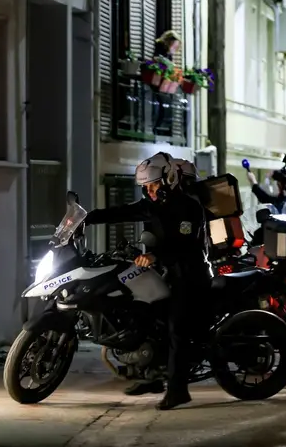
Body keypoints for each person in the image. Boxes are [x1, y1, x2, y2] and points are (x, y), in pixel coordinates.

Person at [84, 155, 211, 410]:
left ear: (169, 178)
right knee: (143, 318)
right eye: (146, 187)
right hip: (165, 273)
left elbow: (185, 246)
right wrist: (85, 219)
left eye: (154, 185)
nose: (150, 191)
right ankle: (151, 376)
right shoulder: (153, 205)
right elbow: (122, 212)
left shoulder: (189, 207)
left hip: (189, 276)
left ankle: (178, 390)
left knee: (176, 328)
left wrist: (155, 256)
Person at [151, 30, 182, 136]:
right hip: (157, 79)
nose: (175, 47)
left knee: (164, 105)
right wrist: (167, 64)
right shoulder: (160, 47)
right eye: (174, 44)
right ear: (169, 41)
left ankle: (159, 128)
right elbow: (157, 59)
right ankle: (155, 128)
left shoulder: (169, 52)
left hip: (163, 81)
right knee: (159, 103)